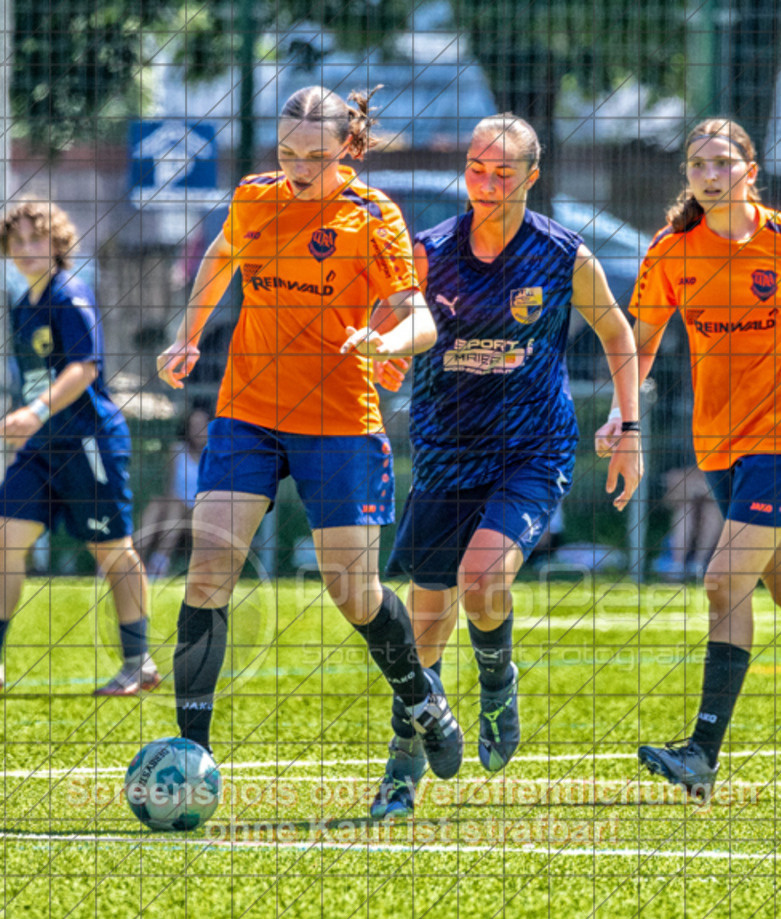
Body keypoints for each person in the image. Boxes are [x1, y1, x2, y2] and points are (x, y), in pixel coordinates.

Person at [156, 85, 464, 780]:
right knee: (208, 569)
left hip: (338, 420)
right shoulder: (255, 197)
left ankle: (420, 696)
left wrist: (384, 346)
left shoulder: (372, 216)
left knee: (352, 592)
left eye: (316, 157)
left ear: (348, 149)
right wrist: (189, 333)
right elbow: (220, 257)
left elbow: (419, 321)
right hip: (248, 412)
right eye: (287, 153)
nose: (298, 168)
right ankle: (191, 757)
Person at [371, 113, 643, 819]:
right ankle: (402, 771)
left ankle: (496, 680)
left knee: (483, 576)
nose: (486, 183)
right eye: (475, 168)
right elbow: (396, 329)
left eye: (502, 171)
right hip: (443, 452)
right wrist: (383, 351)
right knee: (425, 620)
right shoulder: (428, 252)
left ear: (531, 176)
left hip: (530, 448)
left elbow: (617, 333)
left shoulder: (562, 255)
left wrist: (628, 421)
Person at [597, 118, 781, 798]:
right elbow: (638, 343)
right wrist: (620, 415)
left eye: (723, 161)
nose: (709, 173)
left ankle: (700, 753)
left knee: (723, 581)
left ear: (749, 170)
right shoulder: (671, 252)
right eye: (698, 163)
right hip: (718, 442)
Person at [0, 200, 159, 695]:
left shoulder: (69, 297)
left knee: (111, 550)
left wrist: (35, 412)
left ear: (58, 243)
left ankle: (140, 663)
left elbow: (84, 369)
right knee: (7, 539)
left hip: (88, 442)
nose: (26, 250)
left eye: (36, 239)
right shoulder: (23, 304)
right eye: (17, 241)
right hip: (41, 450)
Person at [137, 404, 210, 578]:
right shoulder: (176, 450)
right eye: (194, 426)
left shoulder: (216, 454)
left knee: (175, 508)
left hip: (200, 511)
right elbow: (169, 486)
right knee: (157, 504)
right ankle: (133, 562)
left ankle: (157, 566)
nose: (198, 431)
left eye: (203, 426)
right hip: (174, 506)